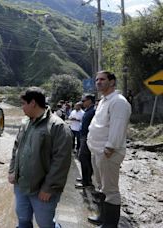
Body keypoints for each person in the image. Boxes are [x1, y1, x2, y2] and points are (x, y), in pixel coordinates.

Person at [8, 87, 73, 228]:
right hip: (21, 186)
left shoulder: (58, 127)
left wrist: (49, 187)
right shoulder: (25, 123)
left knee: (46, 224)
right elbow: (16, 148)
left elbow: (61, 162)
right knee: (23, 220)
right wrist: (12, 171)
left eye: (23, 103)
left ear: (33, 103)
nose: (21, 107)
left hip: (42, 190)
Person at [87, 71, 131, 227]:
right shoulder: (104, 101)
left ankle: (110, 225)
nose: (98, 82)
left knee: (110, 190)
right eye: (97, 79)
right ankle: (102, 217)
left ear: (112, 82)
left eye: (102, 79)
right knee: (101, 187)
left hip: (108, 153)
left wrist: (109, 149)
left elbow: (117, 128)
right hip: (97, 151)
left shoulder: (118, 102)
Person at [75, 94, 96, 189]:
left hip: (88, 138)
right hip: (83, 136)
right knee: (85, 159)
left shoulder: (93, 111)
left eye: (84, 100)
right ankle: (86, 178)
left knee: (83, 158)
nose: (82, 102)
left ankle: (86, 182)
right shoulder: (88, 110)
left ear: (90, 101)